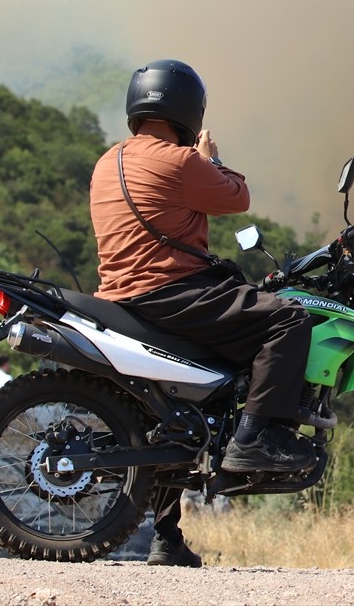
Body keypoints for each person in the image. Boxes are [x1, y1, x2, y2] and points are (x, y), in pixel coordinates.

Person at [89, 59, 319, 568]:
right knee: (289, 319)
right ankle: (257, 439)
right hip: (172, 292)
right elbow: (238, 197)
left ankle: (165, 538)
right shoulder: (180, 161)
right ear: (188, 110)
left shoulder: (108, 161)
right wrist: (210, 158)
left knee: (174, 408)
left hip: (120, 298)